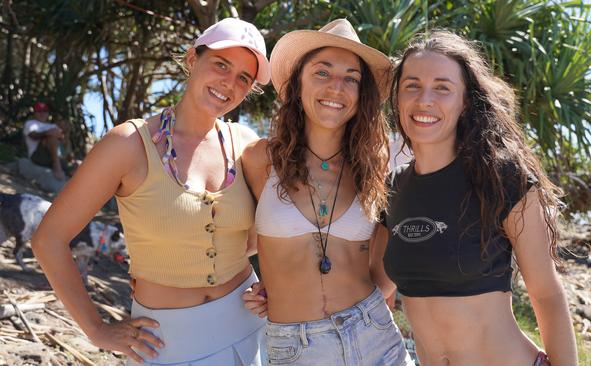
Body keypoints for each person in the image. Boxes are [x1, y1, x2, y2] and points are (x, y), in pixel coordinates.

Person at [32, 18, 271, 365]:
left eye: (243, 78)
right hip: (164, 343)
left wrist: (269, 289)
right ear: (192, 59)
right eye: (221, 64)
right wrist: (97, 330)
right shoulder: (128, 145)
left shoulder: (246, 145)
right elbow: (48, 239)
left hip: (250, 331)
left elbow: (262, 237)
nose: (229, 83)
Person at [371, 31, 578, 365]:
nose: (425, 99)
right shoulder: (393, 189)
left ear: (465, 101)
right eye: (412, 85)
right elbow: (374, 288)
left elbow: (547, 294)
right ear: (397, 99)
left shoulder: (501, 178)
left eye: (442, 87)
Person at [241, 19, 413, 366]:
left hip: (375, 337)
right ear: (298, 82)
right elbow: (236, 241)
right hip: (295, 347)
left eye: (352, 78)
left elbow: (384, 258)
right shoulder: (261, 160)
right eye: (322, 72)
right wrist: (257, 286)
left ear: (361, 94)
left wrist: (364, 313)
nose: (337, 87)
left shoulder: (374, 165)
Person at [23, 102, 67, 180]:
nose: (42, 113)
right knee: (51, 138)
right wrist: (47, 133)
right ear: (35, 113)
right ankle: (57, 167)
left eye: (45, 111)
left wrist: (62, 135)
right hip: (38, 156)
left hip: (56, 155)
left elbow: (62, 142)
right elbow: (33, 136)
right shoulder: (30, 123)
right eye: (39, 111)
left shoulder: (53, 126)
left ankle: (66, 167)